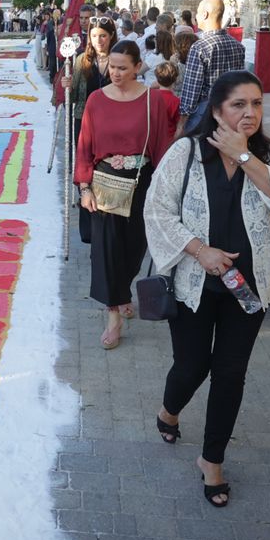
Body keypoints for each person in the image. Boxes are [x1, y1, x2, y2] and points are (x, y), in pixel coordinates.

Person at [144, 71, 270, 508]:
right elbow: (156, 211)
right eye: (238, 105)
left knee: (230, 373)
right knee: (192, 366)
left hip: (251, 287)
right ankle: (169, 409)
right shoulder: (187, 153)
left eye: (256, 104)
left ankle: (212, 460)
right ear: (216, 110)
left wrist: (246, 157)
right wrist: (199, 251)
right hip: (197, 282)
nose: (249, 113)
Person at [75, 41, 178, 351]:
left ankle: (123, 291)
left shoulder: (152, 101)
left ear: (137, 67)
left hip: (140, 181)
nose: (115, 72)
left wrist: (168, 189)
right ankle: (113, 314)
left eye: (122, 67)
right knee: (105, 252)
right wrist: (83, 187)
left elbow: (162, 145)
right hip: (104, 182)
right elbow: (84, 146)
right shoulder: (95, 100)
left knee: (134, 248)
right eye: (112, 66)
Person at [69, 17, 115, 246]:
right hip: (85, 121)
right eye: (95, 36)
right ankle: (87, 227)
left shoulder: (118, 60)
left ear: (111, 37)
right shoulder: (81, 61)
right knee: (85, 171)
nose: (99, 40)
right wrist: (66, 86)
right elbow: (74, 93)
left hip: (112, 123)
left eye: (103, 36)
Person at [177, 0, 250, 133]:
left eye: (197, 13)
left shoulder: (199, 47)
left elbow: (191, 89)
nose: (196, 16)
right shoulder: (238, 46)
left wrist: (181, 124)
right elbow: (240, 82)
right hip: (231, 109)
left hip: (206, 111)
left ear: (204, 14)